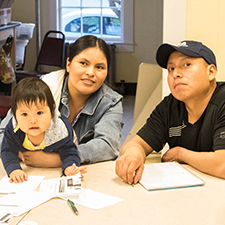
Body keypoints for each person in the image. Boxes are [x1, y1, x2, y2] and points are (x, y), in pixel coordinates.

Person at [0, 35, 123, 167]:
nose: (90, 72)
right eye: (83, 63)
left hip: (79, 173)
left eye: (99, 67)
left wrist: (61, 158)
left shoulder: (111, 103)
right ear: (68, 64)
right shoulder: (44, 88)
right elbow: (3, 132)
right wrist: (19, 153)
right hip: (28, 170)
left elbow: (108, 146)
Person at [116, 40, 225, 184]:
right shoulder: (169, 106)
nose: (176, 74)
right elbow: (136, 144)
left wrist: (181, 154)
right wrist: (133, 155)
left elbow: (222, 165)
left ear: (211, 72)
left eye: (187, 65)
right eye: (171, 68)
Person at [1, 77, 86, 183]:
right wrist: (14, 169)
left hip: (52, 171)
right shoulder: (14, 129)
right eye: (24, 114)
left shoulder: (61, 131)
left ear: (52, 111)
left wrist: (69, 168)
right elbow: (7, 150)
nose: (32, 121)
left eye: (39, 113)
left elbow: (70, 153)